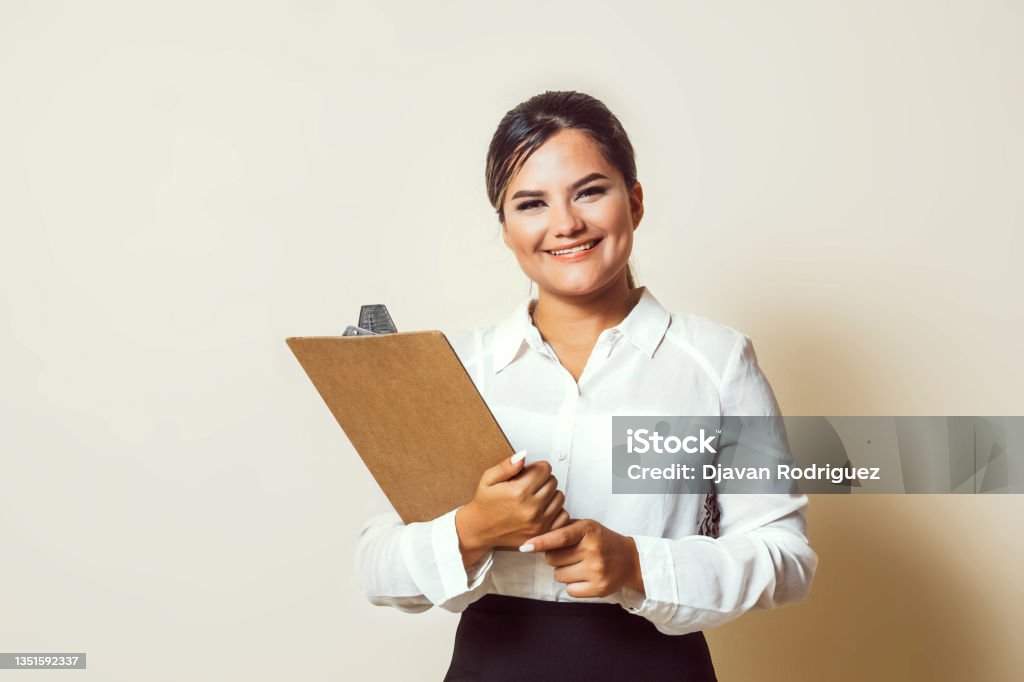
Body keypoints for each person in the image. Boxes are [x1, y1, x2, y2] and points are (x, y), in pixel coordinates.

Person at [355, 90, 819, 681]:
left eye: (590, 191)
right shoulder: (456, 370)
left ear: (635, 200)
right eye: (531, 203)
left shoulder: (717, 363)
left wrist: (636, 564)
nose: (565, 224)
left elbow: (786, 558)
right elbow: (375, 566)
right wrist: (473, 529)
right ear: (505, 229)